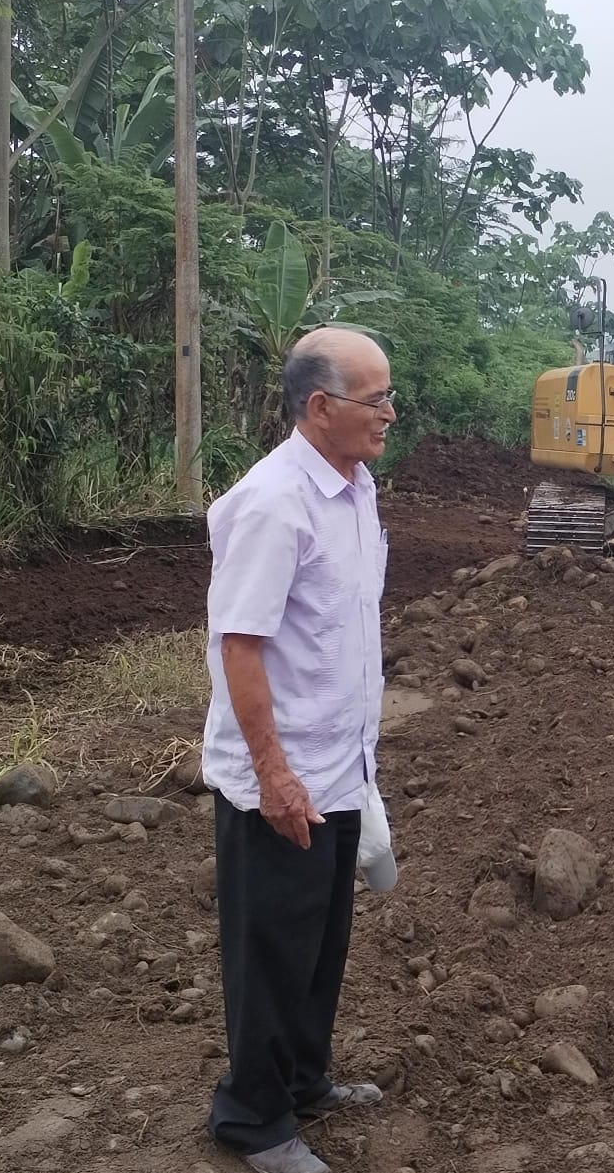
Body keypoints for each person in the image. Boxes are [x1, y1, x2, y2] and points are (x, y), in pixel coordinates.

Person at [202, 326, 398, 1173]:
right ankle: (252, 1117)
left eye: (390, 396)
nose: (389, 413)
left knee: (319, 944)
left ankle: (302, 1079)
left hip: (341, 764)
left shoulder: (355, 488)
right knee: (272, 951)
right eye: (375, 399)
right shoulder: (272, 502)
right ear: (319, 406)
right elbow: (239, 645)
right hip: (280, 777)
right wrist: (274, 775)